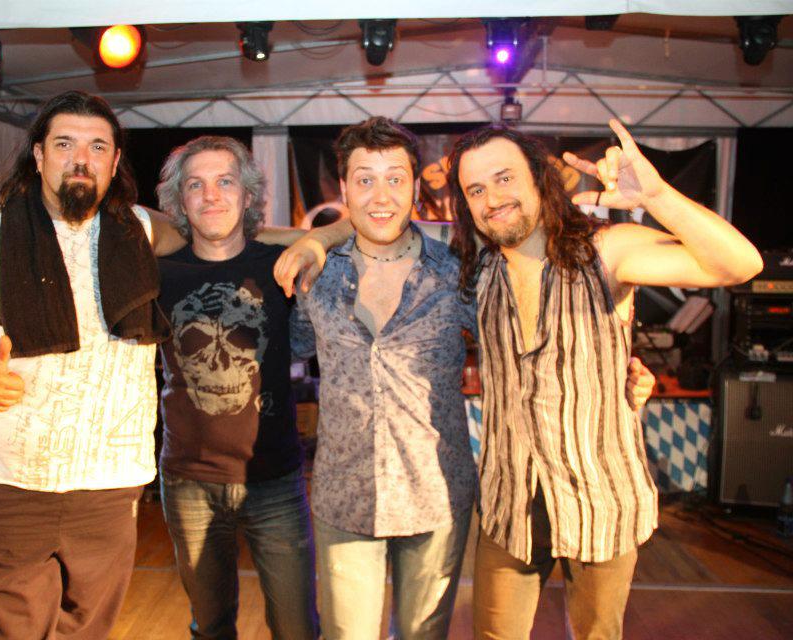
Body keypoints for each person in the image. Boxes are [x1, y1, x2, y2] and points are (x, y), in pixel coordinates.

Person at [447, 119, 762, 640]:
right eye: (475, 189)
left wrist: (657, 196)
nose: (492, 199)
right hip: (511, 501)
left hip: (601, 497)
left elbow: (740, 265)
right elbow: (380, 230)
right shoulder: (479, 272)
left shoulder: (605, 251)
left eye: (504, 178)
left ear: (538, 178)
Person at [0, 91, 185, 639]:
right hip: (6, 489)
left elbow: (220, 237)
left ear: (115, 161)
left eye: (97, 147)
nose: (81, 159)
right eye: (64, 144)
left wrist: (316, 240)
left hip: (109, 490)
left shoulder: (142, 229)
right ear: (38, 155)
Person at [289, 117, 479, 640]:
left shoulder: (455, 273)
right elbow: (287, 347)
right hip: (344, 494)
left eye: (395, 178)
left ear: (416, 187)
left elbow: (517, 345)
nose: (380, 195)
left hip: (436, 496)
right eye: (365, 179)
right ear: (344, 188)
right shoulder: (315, 276)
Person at [153, 136, 317, 639]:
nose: (211, 196)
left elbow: (303, 344)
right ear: (180, 202)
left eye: (225, 182)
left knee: (297, 628)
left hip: (275, 481)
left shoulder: (282, 265)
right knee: (211, 626)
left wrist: (312, 250)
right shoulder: (159, 275)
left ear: (247, 195)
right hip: (188, 481)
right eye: (195, 185)